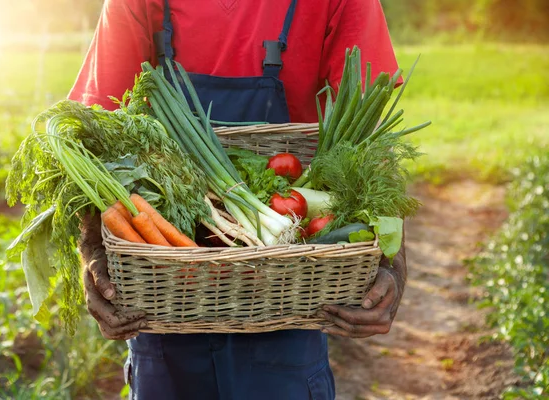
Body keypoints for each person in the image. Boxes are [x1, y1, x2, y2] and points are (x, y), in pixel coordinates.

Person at [69, 1, 407, 399]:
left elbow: (372, 146)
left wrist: (393, 263)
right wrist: (92, 250)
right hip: (165, 299)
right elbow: (95, 136)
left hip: (287, 294)